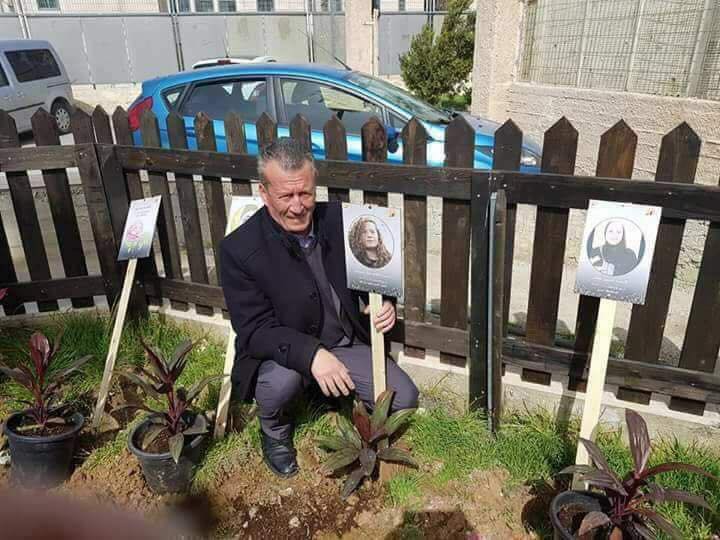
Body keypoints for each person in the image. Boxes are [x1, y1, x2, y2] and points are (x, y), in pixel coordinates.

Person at [220, 138, 419, 478]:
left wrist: (386, 302)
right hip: (284, 354)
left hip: (344, 343)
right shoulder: (239, 249)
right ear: (264, 192)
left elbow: (375, 267)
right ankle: (275, 431)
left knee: (404, 399)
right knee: (279, 385)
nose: (298, 206)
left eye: (306, 194)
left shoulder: (341, 219)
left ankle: (328, 394)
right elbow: (254, 331)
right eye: (286, 196)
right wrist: (311, 355)